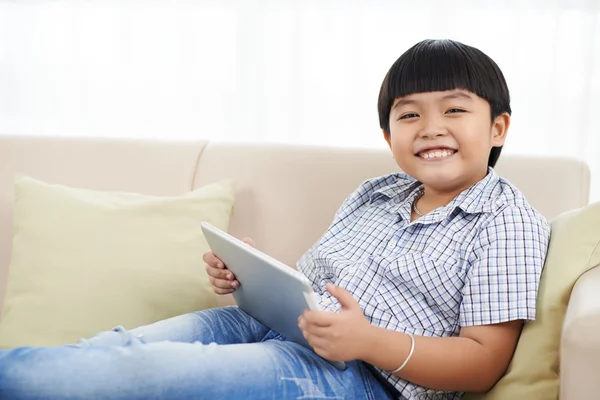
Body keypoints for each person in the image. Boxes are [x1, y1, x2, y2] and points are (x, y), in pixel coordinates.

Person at [0, 39, 550, 400]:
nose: (430, 127)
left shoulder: (506, 220)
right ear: (388, 137)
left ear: (498, 127)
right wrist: (254, 276)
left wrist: (367, 341)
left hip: (355, 378)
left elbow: (483, 363)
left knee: (127, 376)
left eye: (454, 109)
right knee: (103, 353)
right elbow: (319, 285)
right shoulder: (375, 193)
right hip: (269, 324)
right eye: (409, 114)